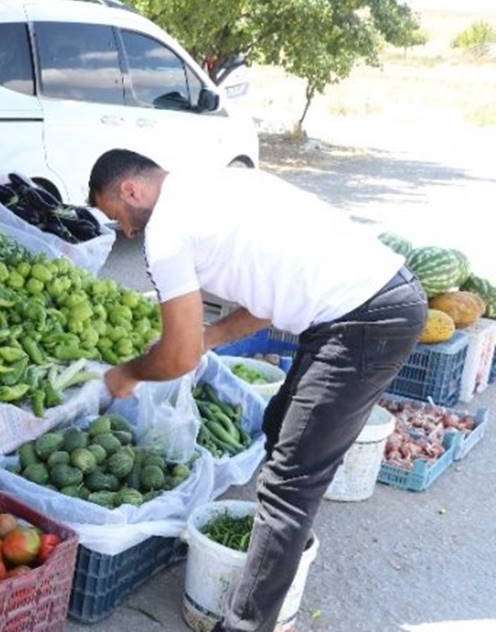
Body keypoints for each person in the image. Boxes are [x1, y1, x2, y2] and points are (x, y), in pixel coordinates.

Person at [87, 149, 427, 632]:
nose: (126, 231)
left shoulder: (165, 231)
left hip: (362, 321)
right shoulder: (218, 181)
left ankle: (246, 624)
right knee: (277, 426)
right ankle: (270, 555)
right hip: (371, 304)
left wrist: (129, 373)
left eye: (117, 216)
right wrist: (211, 337)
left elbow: (178, 357)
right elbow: (266, 297)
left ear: (131, 190)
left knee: (290, 486)